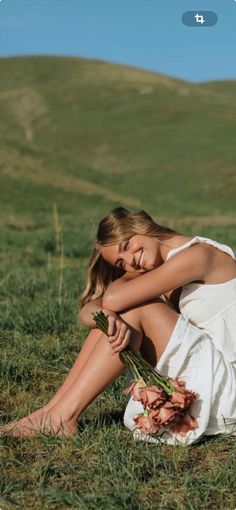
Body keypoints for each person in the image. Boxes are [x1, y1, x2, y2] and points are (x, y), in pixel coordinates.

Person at [1, 207, 236, 444]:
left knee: (135, 309)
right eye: (122, 264)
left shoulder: (198, 255)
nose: (131, 260)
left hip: (230, 388)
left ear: (138, 225)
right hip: (215, 375)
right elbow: (90, 311)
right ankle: (51, 412)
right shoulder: (161, 268)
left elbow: (113, 300)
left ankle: (62, 416)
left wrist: (115, 299)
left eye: (126, 246)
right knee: (114, 316)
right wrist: (107, 313)